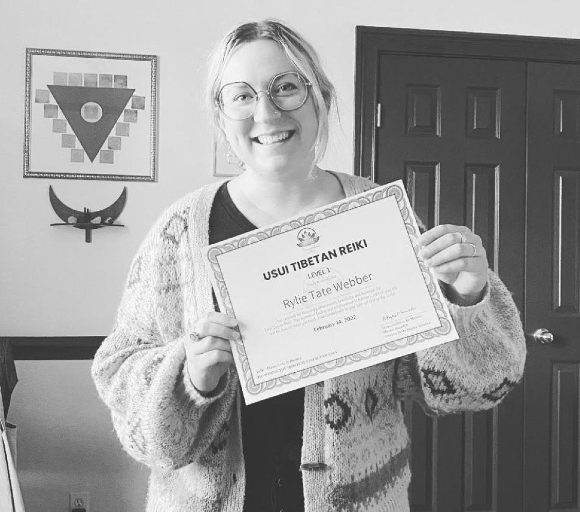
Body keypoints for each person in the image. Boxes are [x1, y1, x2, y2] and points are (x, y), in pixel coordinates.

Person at [92, 19, 526, 512]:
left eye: (286, 87)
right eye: (242, 95)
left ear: (320, 97)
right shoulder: (179, 232)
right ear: (221, 115)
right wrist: (189, 374)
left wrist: (465, 298)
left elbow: (469, 389)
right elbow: (119, 371)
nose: (266, 112)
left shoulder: (381, 219)